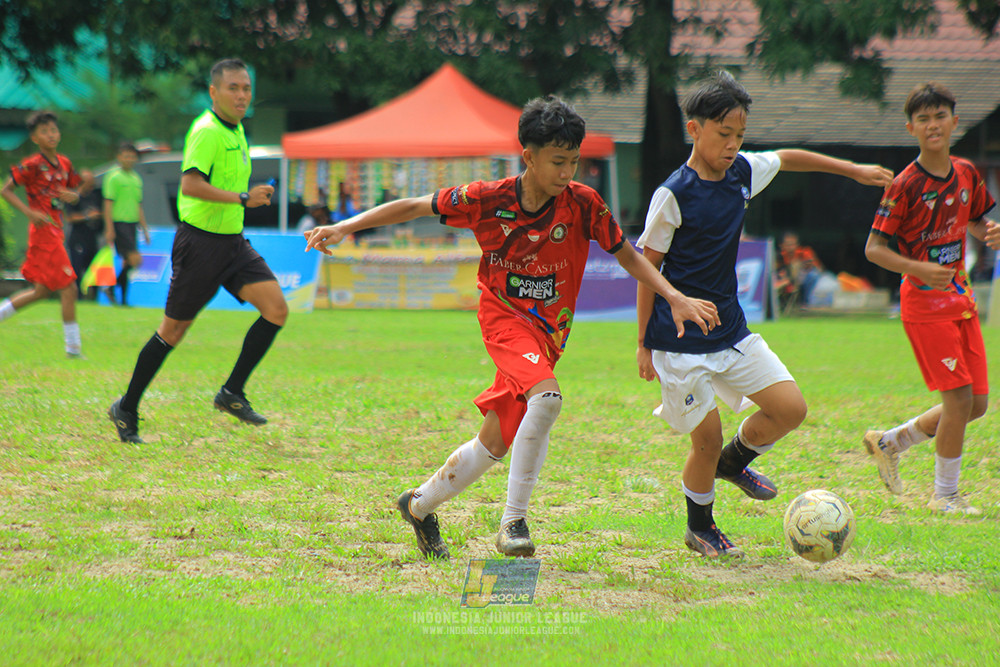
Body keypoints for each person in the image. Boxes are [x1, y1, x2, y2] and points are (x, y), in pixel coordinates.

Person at [305, 95, 719, 559]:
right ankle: (512, 524)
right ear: (529, 156)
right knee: (547, 399)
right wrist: (347, 226)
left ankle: (418, 505)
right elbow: (415, 206)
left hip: (549, 335)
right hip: (504, 320)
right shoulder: (488, 199)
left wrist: (675, 296)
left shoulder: (583, 204)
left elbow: (626, 254)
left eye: (574, 162)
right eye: (558, 162)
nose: (568, 173)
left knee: (495, 441)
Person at [635, 71, 893, 558]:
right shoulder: (673, 193)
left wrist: (853, 170)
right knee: (704, 442)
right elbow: (645, 267)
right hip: (679, 341)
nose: (733, 145)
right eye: (722, 135)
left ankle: (734, 463)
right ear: (694, 129)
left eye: (739, 136)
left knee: (790, 409)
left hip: (731, 331)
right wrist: (645, 341)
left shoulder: (742, 173)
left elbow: (790, 157)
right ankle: (700, 526)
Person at [108, 58, 286, 444]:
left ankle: (231, 392)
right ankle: (127, 407)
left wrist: (249, 197)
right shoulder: (206, 130)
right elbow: (189, 186)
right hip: (200, 244)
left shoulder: (238, 131)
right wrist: (243, 197)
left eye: (246, 88)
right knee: (172, 331)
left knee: (276, 309)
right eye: (233, 88)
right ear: (213, 92)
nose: (241, 95)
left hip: (233, 244)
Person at [862, 82, 999, 515]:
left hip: (961, 300)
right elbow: (874, 249)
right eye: (923, 119)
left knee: (976, 404)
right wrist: (919, 268)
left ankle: (891, 441)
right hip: (924, 305)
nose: (932, 125)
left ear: (954, 122)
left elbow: (974, 219)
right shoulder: (904, 185)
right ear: (911, 128)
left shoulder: (966, 173)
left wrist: (989, 232)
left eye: (940, 116)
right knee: (957, 401)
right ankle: (945, 495)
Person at [0, 110, 86, 357]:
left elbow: (74, 188)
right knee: (69, 287)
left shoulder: (65, 163)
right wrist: (29, 212)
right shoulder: (32, 164)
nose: (51, 134)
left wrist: (75, 195)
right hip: (42, 231)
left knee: (41, 292)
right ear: (35, 138)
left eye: (54, 130)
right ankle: (73, 349)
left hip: (56, 231)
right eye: (44, 131)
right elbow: (5, 190)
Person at [102, 142, 151, 306]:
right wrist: (109, 228)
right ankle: (111, 288)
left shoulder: (136, 178)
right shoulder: (113, 177)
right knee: (135, 260)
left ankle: (121, 298)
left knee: (128, 262)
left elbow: (139, 205)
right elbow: (108, 203)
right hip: (119, 223)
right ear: (119, 157)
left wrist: (144, 229)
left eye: (132, 156)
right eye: (126, 156)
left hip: (132, 225)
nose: (129, 159)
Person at [64, 168, 103, 300]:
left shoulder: (95, 197)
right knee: (77, 268)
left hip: (92, 238)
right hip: (77, 240)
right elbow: (69, 218)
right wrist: (87, 216)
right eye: (88, 182)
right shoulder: (73, 197)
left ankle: (95, 297)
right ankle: (78, 297)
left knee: (93, 269)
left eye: (92, 182)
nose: (91, 185)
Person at [777, 230, 823, 306]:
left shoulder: (804, 252)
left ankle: (806, 303)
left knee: (813, 275)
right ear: (782, 245)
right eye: (788, 245)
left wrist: (803, 265)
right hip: (787, 281)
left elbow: (817, 269)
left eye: (793, 244)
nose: (791, 247)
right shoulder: (780, 256)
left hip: (807, 280)